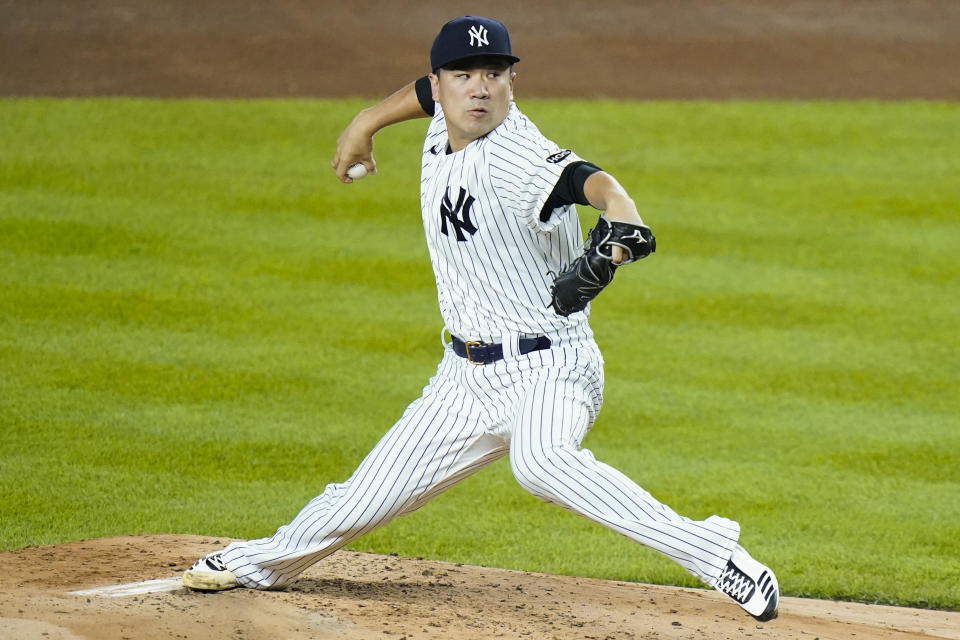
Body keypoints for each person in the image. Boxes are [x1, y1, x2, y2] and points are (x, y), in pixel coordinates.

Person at [183, 15, 780, 622]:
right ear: (440, 84)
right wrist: (365, 121)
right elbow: (420, 95)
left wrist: (622, 227)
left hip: (549, 368)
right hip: (463, 380)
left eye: (494, 75)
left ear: (511, 82)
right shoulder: (443, 117)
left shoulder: (518, 155)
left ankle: (715, 553)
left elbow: (591, 183)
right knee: (362, 500)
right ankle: (263, 563)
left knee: (541, 462)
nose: (479, 89)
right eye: (463, 75)